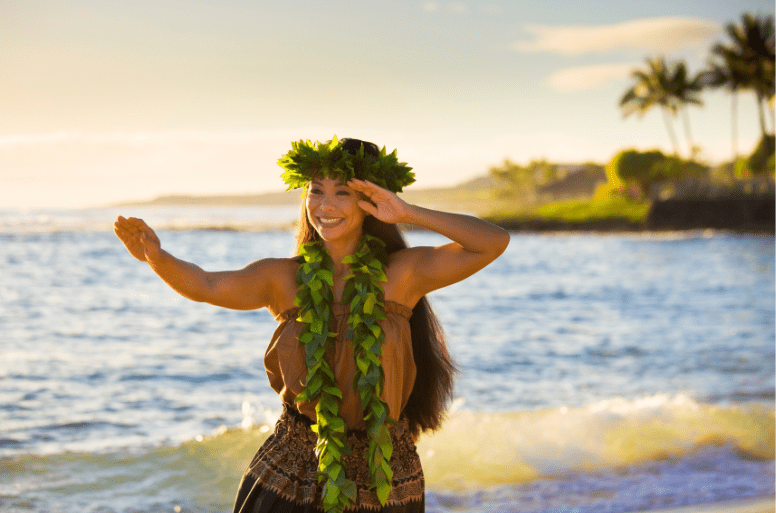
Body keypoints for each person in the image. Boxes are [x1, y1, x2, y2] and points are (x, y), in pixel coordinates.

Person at [113, 137, 510, 513]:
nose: (325, 204)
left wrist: (408, 212)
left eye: (343, 193)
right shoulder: (282, 278)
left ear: (371, 201)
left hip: (384, 470)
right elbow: (206, 284)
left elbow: (492, 242)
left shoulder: (402, 274)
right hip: (293, 465)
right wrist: (156, 258)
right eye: (316, 191)